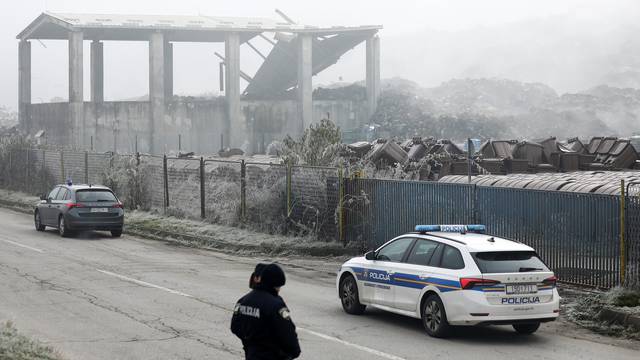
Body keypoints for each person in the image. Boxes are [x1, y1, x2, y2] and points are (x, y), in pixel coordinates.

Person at [231, 263, 301, 360]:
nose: (279, 290)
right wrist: (291, 352)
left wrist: (251, 342)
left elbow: (235, 326)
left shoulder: (243, 300)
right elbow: (288, 334)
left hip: (252, 354)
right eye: (279, 286)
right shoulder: (275, 305)